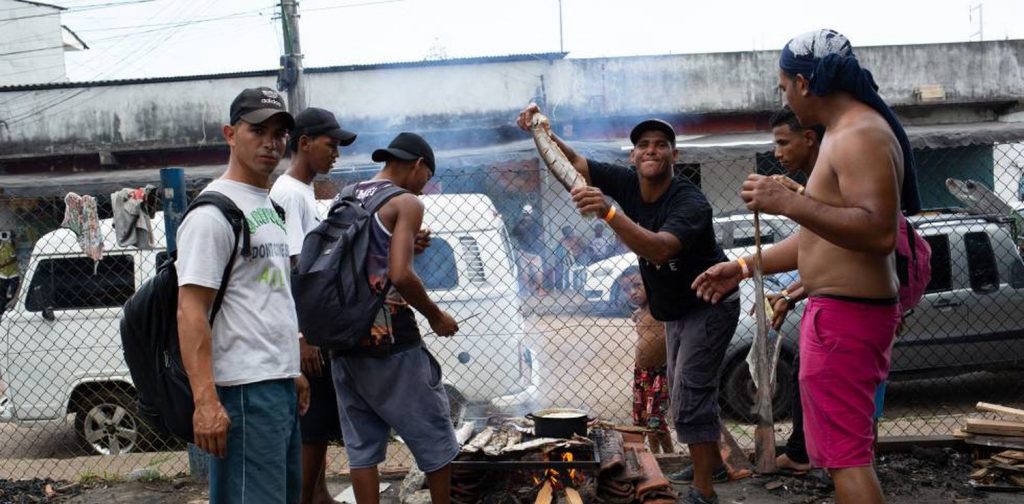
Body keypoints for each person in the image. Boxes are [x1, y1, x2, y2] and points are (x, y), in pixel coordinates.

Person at [692, 30, 921, 504]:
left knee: (847, 460)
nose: (784, 99)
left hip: (847, 318)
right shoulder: (847, 132)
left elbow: (877, 231)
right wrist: (743, 266)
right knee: (845, 457)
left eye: (783, 87)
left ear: (803, 82)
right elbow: (819, 238)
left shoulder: (859, 134)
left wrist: (787, 203)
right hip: (839, 315)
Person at [517, 105, 740, 504]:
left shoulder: (689, 202)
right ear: (633, 156)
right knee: (684, 392)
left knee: (691, 392)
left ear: (675, 155)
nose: (651, 150)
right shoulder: (628, 181)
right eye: (643, 145)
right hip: (676, 307)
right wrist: (541, 131)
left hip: (709, 304)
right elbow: (574, 164)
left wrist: (607, 211)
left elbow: (659, 249)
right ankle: (712, 464)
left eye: (661, 145)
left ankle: (705, 491)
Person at [176, 87, 309, 504]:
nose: (271, 143)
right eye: (258, 131)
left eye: (279, 133)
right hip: (245, 390)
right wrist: (205, 401)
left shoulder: (269, 206)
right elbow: (191, 310)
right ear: (230, 134)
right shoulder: (213, 214)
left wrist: (291, 368)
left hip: (276, 382)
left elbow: (268, 295)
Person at [330, 132, 460, 504]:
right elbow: (400, 275)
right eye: (426, 177)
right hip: (391, 343)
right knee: (436, 438)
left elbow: (360, 262)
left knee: (362, 449)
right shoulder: (406, 202)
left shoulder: (348, 195)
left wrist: (407, 246)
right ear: (418, 164)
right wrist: (435, 316)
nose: (423, 187)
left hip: (344, 341)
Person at [270, 107, 357, 504]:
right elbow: (290, 270)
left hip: (314, 324)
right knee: (311, 420)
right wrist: (300, 336)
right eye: (330, 144)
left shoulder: (304, 191)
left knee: (319, 420)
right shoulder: (289, 193)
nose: (336, 153)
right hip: (304, 329)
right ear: (304, 143)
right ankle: (307, 497)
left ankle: (319, 493)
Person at [623, 270, 675, 454]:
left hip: (660, 372)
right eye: (627, 289)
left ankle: (669, 455)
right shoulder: (639, 313)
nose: (632, 292)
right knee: (644, 417)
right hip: (642, 373)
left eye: (637, 285)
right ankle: (655, 455)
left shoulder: (660, 308)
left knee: (656, 418)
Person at [0, 231, 19, 313]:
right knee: (2, 294)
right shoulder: (2, 247)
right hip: (2, 275)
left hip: (13, 274)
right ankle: (2, 310)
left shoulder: (10, 245)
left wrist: (4, 264)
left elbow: (14, 258)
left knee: (13, 294)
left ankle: (11, 310)